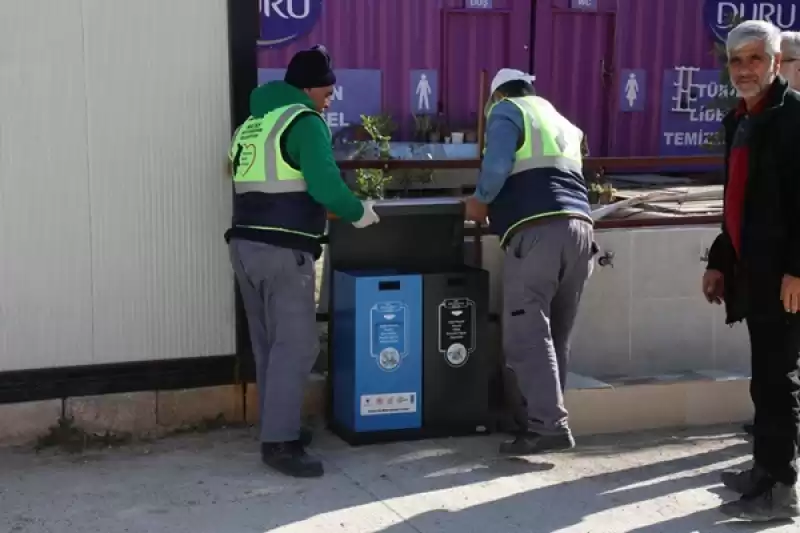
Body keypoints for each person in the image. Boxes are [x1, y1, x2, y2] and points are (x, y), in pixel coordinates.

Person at [226, 45, 379, 478]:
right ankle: (280, 443)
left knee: (267, 343)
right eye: (327, 92)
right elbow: (326, 186)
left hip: (244, 245)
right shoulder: (303, 121)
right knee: (296, 344)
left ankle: (278, 424)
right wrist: (357, 211)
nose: (329, 101)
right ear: (308, 88)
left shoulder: (252, 125)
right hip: (283, 248)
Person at [464, 68, 595, 455]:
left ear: (497, 96)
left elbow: (498, 165)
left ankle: (548, 424)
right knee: (556, 333)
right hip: (581, 231)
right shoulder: (563, 121)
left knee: (526, 331)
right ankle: (539, 418)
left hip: (538, 230)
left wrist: (481, 200)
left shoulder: (508, 111)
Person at [702, 20, 800, 521]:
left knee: (779, 380)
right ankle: (763, 471)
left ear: (777, 63)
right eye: (736, 60)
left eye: (755, 59)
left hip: (786, 278)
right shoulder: (739, 120)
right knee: (763, 378)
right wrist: (721, 261)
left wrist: (797, 271)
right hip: (753, 272)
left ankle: (781, 489)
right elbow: (735, 203)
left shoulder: (794, 119)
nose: (744, 69)